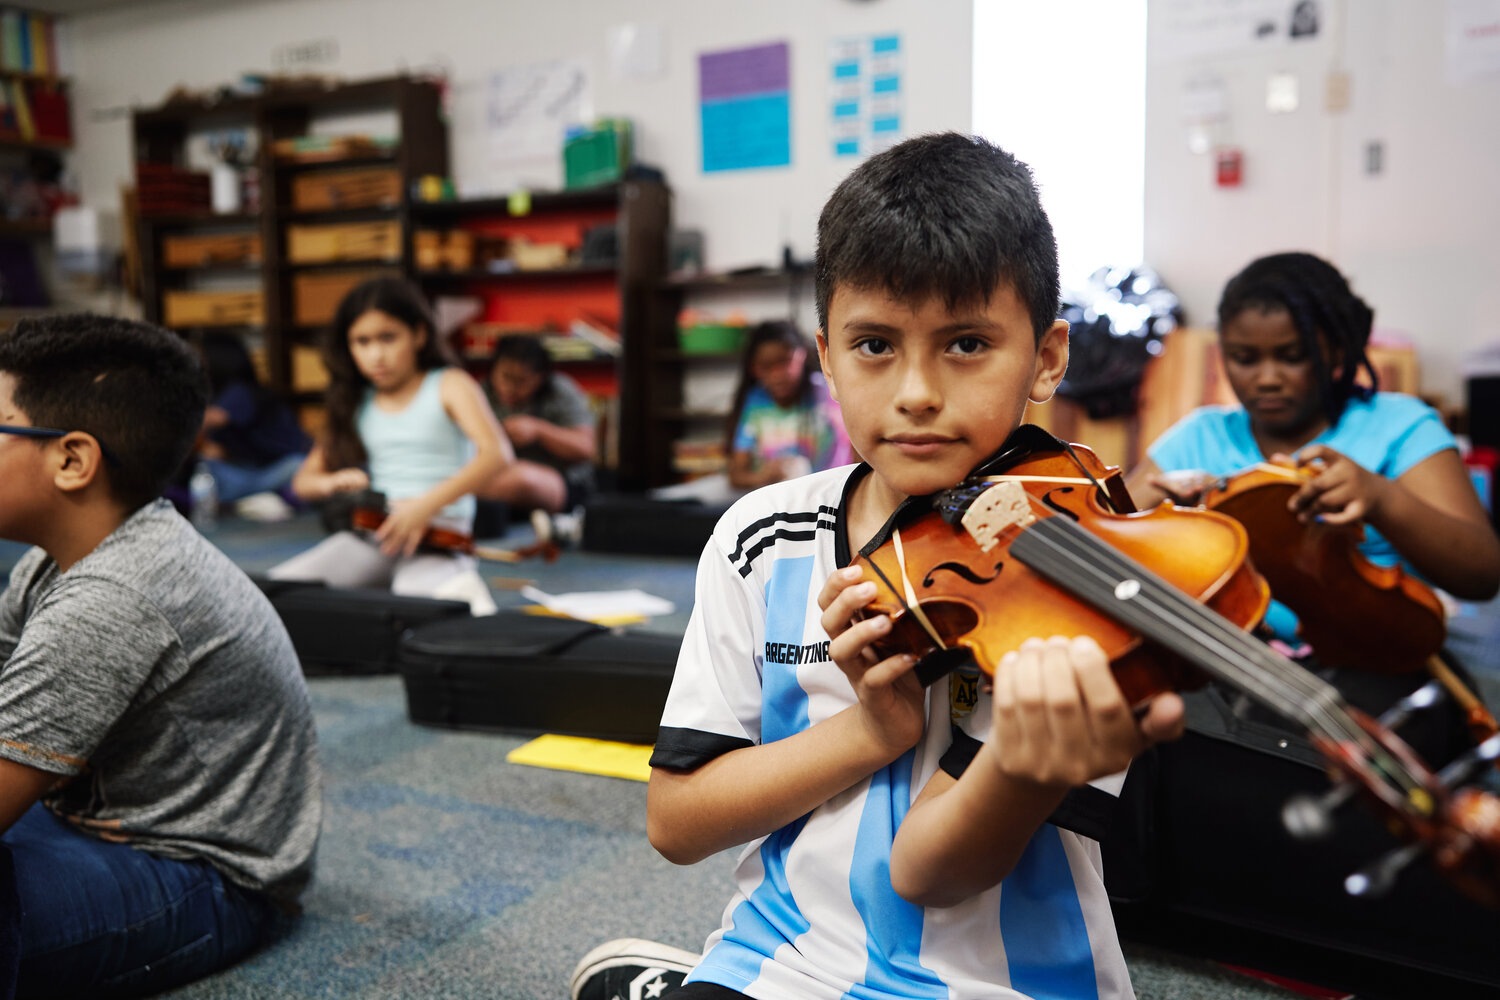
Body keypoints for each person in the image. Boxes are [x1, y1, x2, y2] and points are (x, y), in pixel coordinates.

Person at [572, 133, 1185, 1000]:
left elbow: (930, 874)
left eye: (967, 344)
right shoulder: (760, 538)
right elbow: (676, 822)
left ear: (1047, 358)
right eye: (874, 346)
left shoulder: (1084, 571)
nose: (916, 393)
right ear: (825, 355)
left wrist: (1024, 760)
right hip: (778, 963)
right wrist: (871, 731)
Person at [0, 314, 321, 996]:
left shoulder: (115, 595)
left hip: (202, 875)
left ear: (72, 460)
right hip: (81, 820)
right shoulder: (55, 562)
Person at [1125, 251, 1500, 760]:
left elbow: (1481, 572)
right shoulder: (1200, 435)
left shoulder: (1400, 425)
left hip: (1374, 659)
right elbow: (1112, 523)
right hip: (1230, 664)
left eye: (1292, 355)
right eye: (1244, 358)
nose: (1267, 378)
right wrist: (1142, 504)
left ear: (1337, 348)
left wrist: (1381, 497)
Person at [270, 277, 511, 615]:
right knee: (274, 595)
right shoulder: (355, 400)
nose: (376, 355)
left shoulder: (449, 384)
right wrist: (331, 482)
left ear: (419, 334)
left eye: (388, 338)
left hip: (438, 538)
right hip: (376, 536)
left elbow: (498, 455)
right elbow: (302, 483)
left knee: (423, 611)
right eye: (362, 342)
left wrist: (422, 508)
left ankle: (457, 589)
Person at [479, 333, 597, 517]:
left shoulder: (560, 390)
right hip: (496, 481)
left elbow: (585, 448)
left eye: (521, 380)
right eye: (505, 376)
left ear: (540, 378)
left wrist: (538, 431)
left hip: (559, 483)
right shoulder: (480, 392)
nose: (510, 387)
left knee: (523, 480)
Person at [725, 319, 851, 490]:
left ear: (802, 354)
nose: (777, 375)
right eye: (766, 366)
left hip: (831, 494)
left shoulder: (829, 394)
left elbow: (856, 453)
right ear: (754, 368)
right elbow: (736, 475)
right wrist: (763, 476)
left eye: (785, 362)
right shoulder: (755, 405)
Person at [196, 331, 310, 517]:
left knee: (297, 467)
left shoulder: (240, 391)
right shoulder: (219, 394)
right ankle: (256, 501)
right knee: (207, 466)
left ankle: (257, 501)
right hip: (252, 472)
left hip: (279, 468)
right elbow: (216, 450)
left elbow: (203, 420)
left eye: (200, 359)